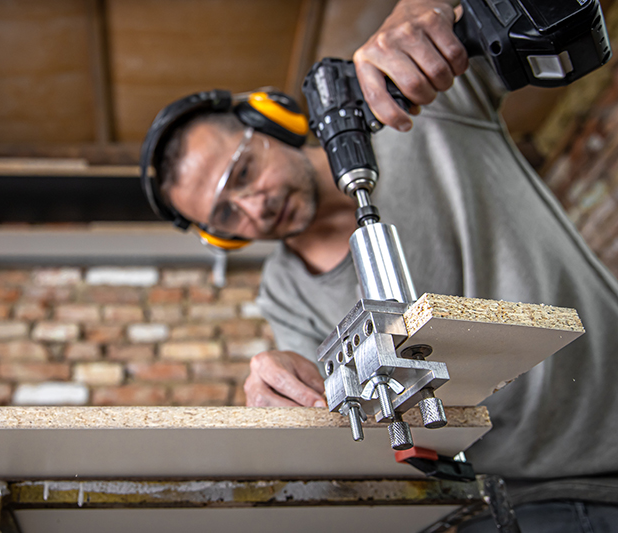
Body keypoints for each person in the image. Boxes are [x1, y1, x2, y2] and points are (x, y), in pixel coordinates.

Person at [140, 0, 618, 530]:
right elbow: (335, 412)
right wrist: (283, 392)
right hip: (512, 502)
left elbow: (555, 14)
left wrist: (443, 10)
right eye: (227, 215)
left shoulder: (411, 105)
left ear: (272, 119)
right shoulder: (283, 289)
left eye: (244, 172)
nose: (255, 207)